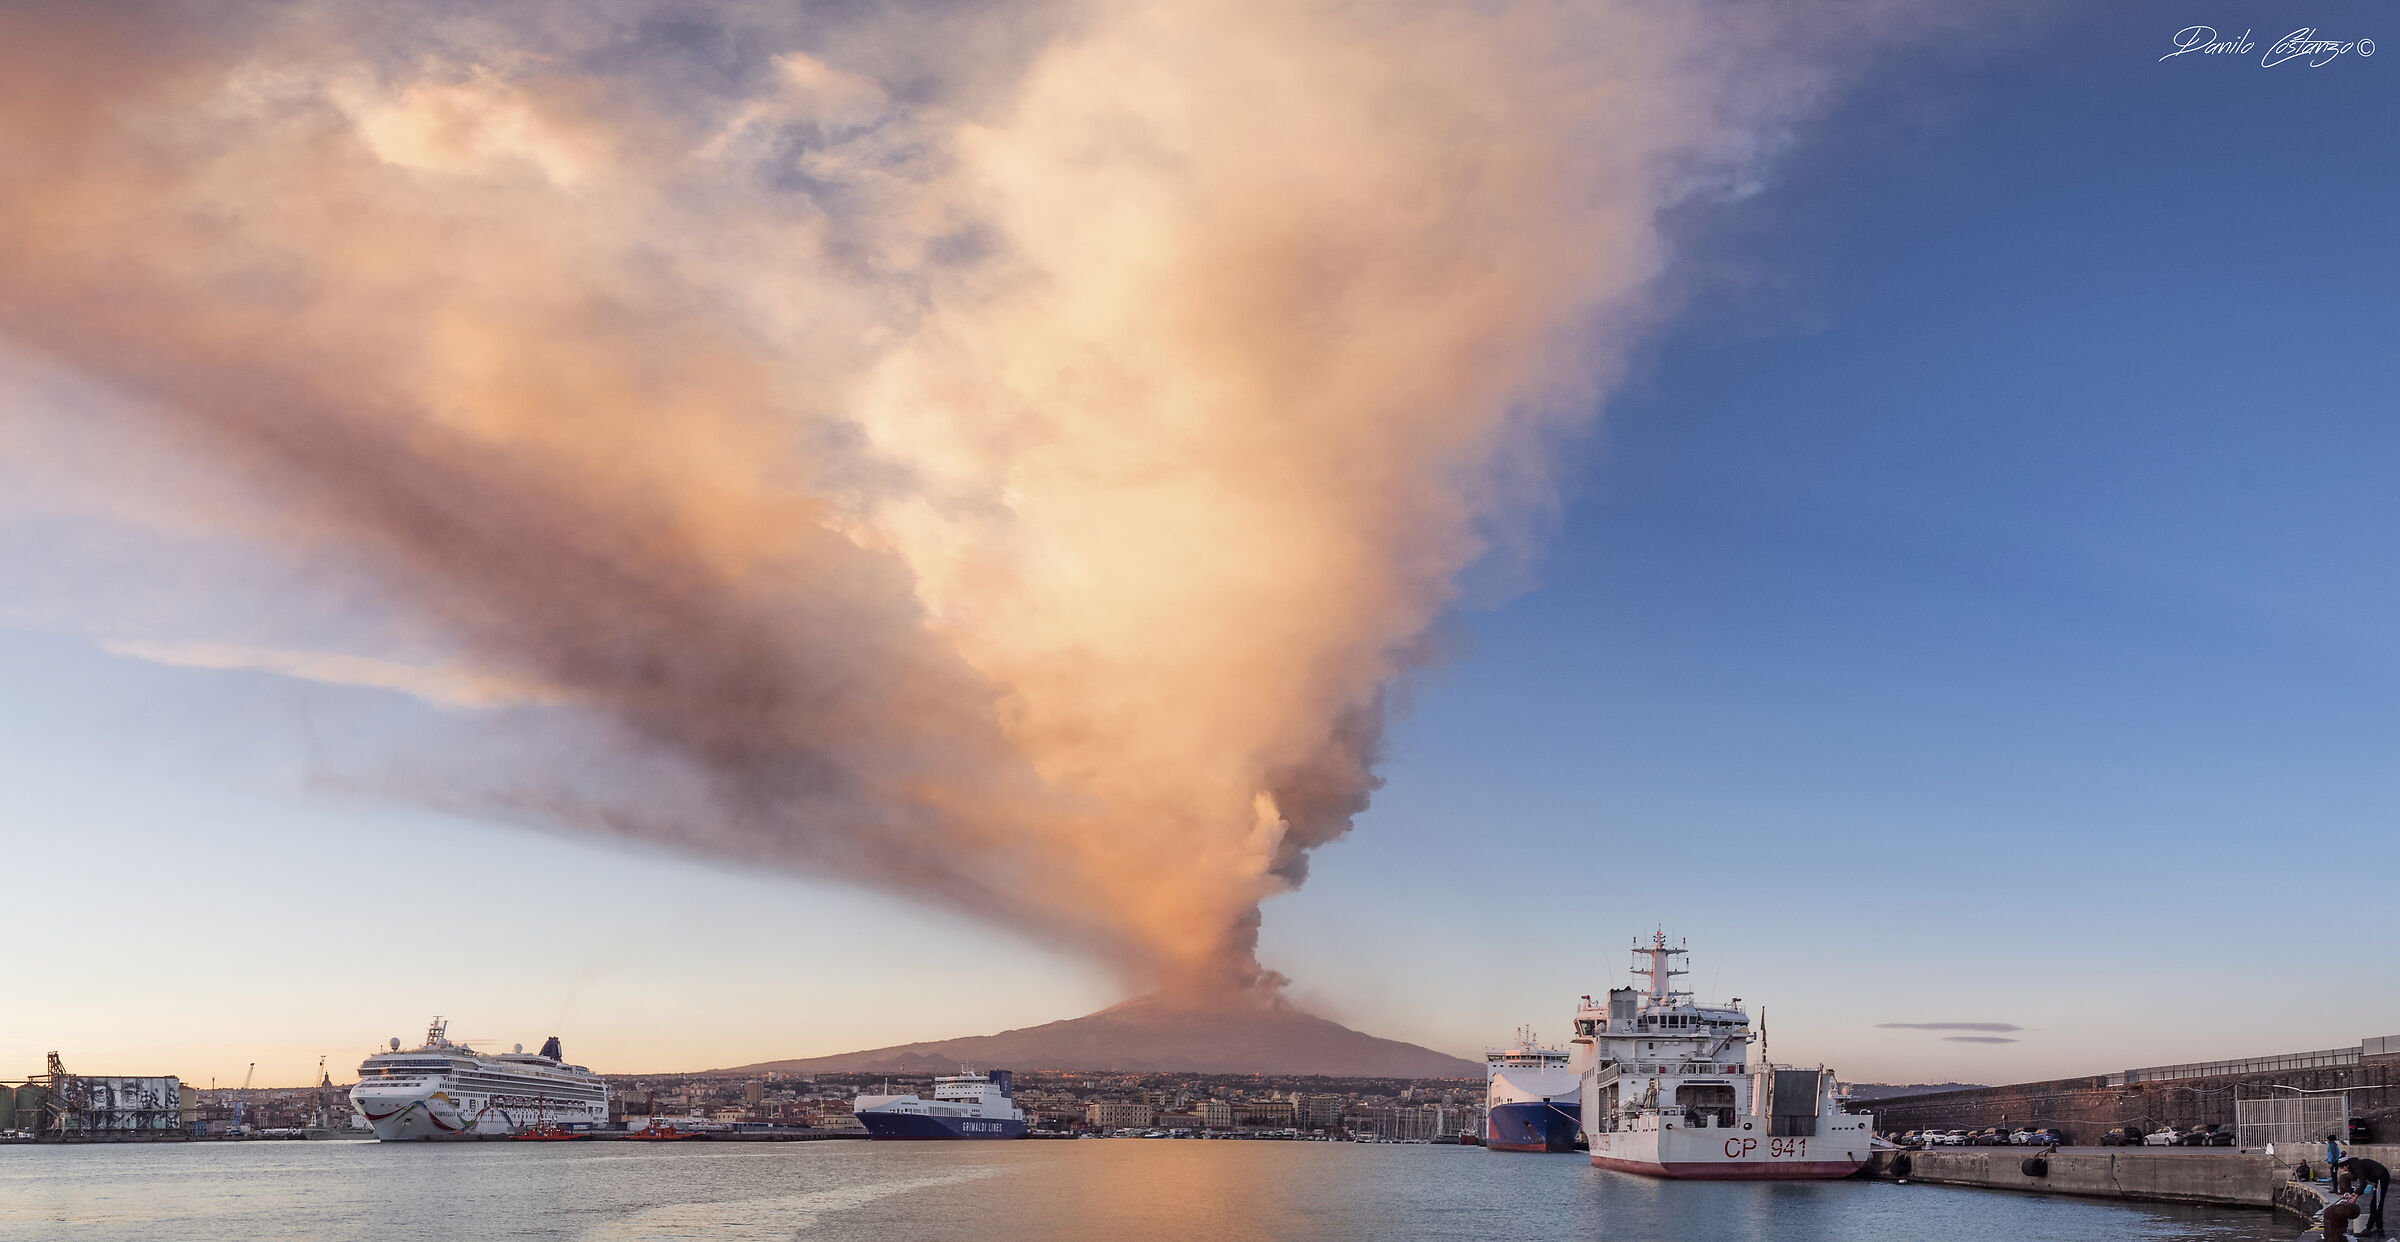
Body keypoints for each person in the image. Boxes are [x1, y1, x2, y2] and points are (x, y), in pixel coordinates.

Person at [2336, 1154, 2391, 1236]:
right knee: (2374, 1205)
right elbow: (2361, 1182)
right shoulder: (2354, 1165)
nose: (2343, 1169)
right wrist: (2354, 1194)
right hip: (2378, 1180)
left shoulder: (2356, 1165)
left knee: (2377, 1205)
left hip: (2381, 1177)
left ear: (2346, 1165)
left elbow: (2363, 1183)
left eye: (2342, 1167)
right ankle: (2378, 1229)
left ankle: (2371, 1230)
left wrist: (2355, 1198)